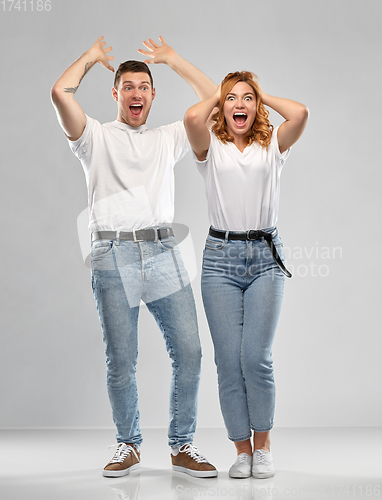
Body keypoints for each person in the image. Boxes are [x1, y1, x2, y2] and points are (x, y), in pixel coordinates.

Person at [51, 36, 218, 478]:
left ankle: (182, 445)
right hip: (112, 253)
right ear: (116, 94)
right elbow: (59, 93)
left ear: (152, 94)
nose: (136, 93)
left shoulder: (169, 138)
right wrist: (88, 58)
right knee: (122, 360)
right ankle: (128, 444)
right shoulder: (95, 138)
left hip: (164, 249)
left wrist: (174, 59)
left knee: (190, 352)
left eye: (144, 85)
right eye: (128, 86)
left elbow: (214, 100)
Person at [184, 71, 309, 479]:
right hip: (219, 259)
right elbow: (190, 119)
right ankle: (241, 450)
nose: (240, 105)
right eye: (231, 99)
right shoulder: (212, 146)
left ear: (257, 107)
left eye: (247, 99)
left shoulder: (271, 144)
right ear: (221, 106)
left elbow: (301, 113)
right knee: (227, 362)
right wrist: (219, 98)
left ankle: (264, 445)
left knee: (256, 358)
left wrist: (261, 95)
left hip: (265, 258)